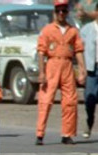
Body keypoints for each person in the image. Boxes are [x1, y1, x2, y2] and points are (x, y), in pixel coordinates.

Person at [36, 0, 86, 145]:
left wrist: (82, 70)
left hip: (67, 65)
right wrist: (41, 72)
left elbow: (78, 51)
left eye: (64, 11)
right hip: (52, 63)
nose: (61, 14)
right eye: (58, 11)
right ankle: (40, 134)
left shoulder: (73, 31)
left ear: (67, 12)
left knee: (70, 100)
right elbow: (41, 52)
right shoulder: (47, 29)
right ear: (54, 12)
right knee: (46, 99)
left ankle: (67, 134)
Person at [79, 2, 98, 138]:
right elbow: (79, 50)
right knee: (89, 98)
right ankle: (89, 121)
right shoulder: (86, 29)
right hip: (92, 68)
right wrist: (81, 69)